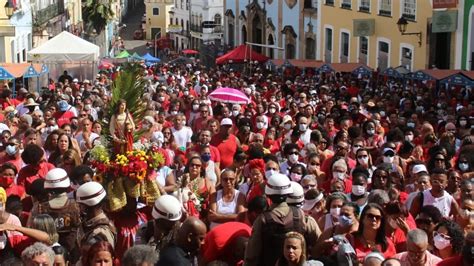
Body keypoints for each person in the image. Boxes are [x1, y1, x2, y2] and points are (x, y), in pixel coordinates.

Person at [244, 173, 321, 266]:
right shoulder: (301, 215)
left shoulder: (262, 219)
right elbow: (318, 242)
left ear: (268, 194)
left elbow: (252, 255)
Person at [76, 182, 116, 249]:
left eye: (80, 205)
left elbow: (90, 257)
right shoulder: (91, 224)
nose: (79, 208)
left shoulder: (99, 233)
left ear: (85, 207)